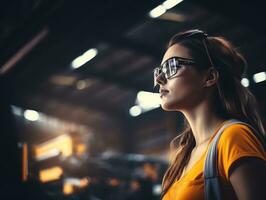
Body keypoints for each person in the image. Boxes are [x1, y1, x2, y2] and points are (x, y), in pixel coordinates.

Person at [154, 29, 266, 200]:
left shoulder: (233, 137)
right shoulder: (183, 156)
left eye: (172, 66)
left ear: (210, 77)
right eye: (160, 71)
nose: (160, 79)